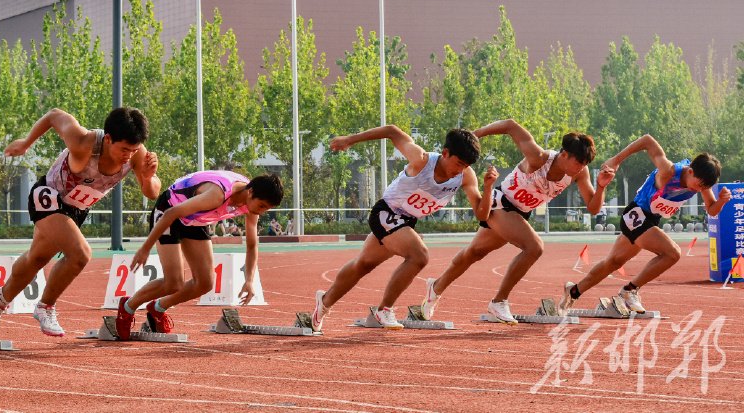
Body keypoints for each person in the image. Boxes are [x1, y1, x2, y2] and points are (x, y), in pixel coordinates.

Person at [0, 107, 160, 337]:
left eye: (134, 150)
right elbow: (54, 115)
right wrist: (26, 143)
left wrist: (148, 177)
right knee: (80, 254)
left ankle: (0, 299)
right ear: (108, 139)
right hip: (48, 196)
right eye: (124, 149)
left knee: (36, 258)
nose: (129, 155)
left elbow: (152, 192)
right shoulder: (83, 141)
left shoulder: (136, 153)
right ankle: (45, 306)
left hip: (76, 209)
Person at [421, 119, 614, 324]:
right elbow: (510, 126)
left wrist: (601, 187)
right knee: (534, 247)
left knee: (473, 253)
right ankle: (499, 301)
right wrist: (476, 134)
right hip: (501, 204)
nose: (581, 168)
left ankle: (436, 287)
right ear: (564, 154)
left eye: (585, 164)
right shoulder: (538, 157)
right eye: (578, 162)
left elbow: (593, 208)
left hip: (520, 213)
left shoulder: (579, 173)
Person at [312, 126, 493, 332]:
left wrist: (488, 189)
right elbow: (392, 131)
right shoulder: (421, 160)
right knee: (419, 256)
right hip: (386, 213)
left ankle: (324, 303)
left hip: (406, 221)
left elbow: (481, 215)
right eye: (458, 163)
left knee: (362, 265)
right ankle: (384, 310)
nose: (459, 170)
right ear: (445, 153)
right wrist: (350, 139)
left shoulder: (466, 176)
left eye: (466, 166)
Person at [559, 136, 730, 315]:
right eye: (699, 185)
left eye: (704, 188)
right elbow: (647, 141)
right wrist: (616, 161)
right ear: (690, 172)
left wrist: (722, 201)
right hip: (636, 214)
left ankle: (573, 291)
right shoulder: (668, 170)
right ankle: (629, 290)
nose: (699, 190)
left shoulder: (702, 182)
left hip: (650, 220)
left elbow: (711, 210)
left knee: (613, 262)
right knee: (672, 253)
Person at [115, 171, 284, 339]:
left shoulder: (251, 202)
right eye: (262, 206)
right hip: (169, 211)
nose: (262, 212)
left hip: (195, 220)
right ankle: (128, 307)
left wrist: (249, 281)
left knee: (204, 283)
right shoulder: (217, 195)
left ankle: (157, 308)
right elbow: (171, 214)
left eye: (267, 209)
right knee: (173, 282)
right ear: (251, 192)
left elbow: (252, 244)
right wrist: (145, 248)